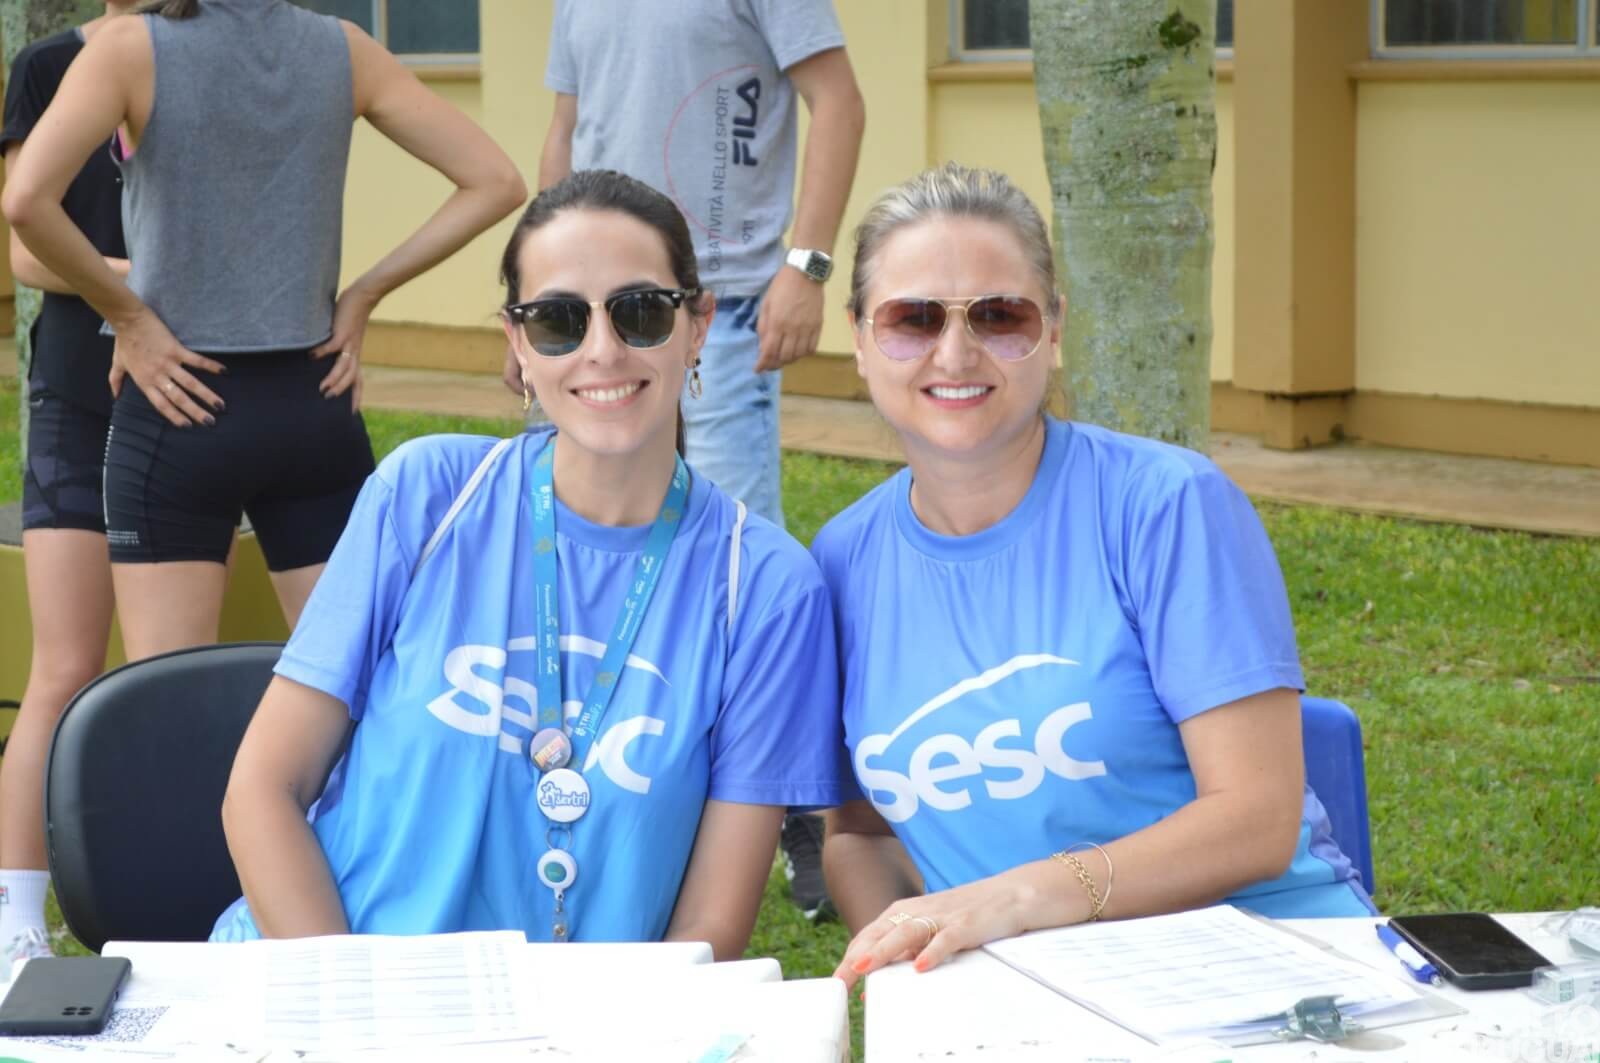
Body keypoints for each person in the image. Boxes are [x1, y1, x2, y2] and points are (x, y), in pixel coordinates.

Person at [210, 170, 842, 960]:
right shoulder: (428, 494)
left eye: (641, 312)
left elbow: (708, 928)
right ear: (518, 342)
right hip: (325, 982)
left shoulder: (766, 589)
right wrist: (356, 1018)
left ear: (699, 324)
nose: (602, 351)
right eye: (558, 321)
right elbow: (264, 791)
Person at [814, 163, 1377, 985]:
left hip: (1266, 972)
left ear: (1055, 330)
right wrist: (921, 973)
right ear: (861, 339)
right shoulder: (839, 562)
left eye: (1001, 315)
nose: (956, 350)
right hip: (1029, 1005)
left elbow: (1257, 818)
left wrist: (1020, 898)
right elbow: (859, 834)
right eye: (913, 319)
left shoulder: (1166, 506)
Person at [1, 0, 526, 664]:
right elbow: (497, 181)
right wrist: (363, 296)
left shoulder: (129, 48)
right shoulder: (346, 48)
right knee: (354, 686)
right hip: (314, 405)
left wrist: (130, 318)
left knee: (167, 699)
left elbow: (24, 203)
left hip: (177, 405)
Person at [521, 0, 865, 921]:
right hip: (590, 321)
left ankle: (798, 809)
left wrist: (810, 264)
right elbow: (564, 133)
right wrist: (535, 296)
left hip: (722, 300)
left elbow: (838, 100)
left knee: (741, 564)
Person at [0, 0, 134, 968]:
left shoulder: (221, 61)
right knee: (62, 666)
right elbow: (19, 249)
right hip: (78, 394)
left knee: (193, 665)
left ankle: (169, 901)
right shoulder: (50, 65)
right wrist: (152, 279)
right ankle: (14, 929)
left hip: (207, 393)